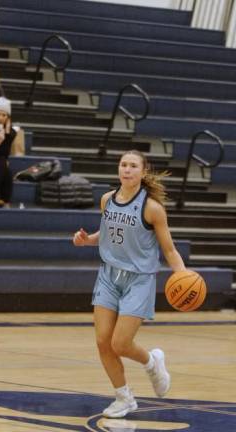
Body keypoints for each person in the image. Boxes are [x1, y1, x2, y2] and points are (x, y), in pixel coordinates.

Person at [73, 150, 186, 418]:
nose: (127, 169)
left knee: (120, 343)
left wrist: (181, 274)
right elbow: (110, 233)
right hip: (109, 276)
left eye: (133, 166)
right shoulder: (107, 200)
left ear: (143, 172)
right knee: (103, 342)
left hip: (139, 279)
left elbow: (169, 250)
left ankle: (152, 362)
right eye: (123, 164)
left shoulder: (152, 208)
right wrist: (88, 240)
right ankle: (124, 398)